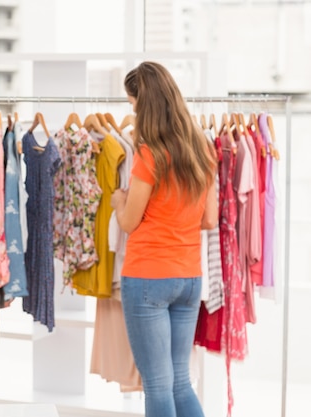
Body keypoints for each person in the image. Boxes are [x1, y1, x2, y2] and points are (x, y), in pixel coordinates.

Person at [110, 61, 217, 417]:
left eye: (133, 103)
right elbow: (210, 219)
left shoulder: (149, 154)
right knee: (179, 381)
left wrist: (118, 201)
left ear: (146, 104)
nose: (133, 110)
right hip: (188, 278)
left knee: (157, 384)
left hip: (148, 279)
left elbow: (128, 222)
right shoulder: (202, 149)